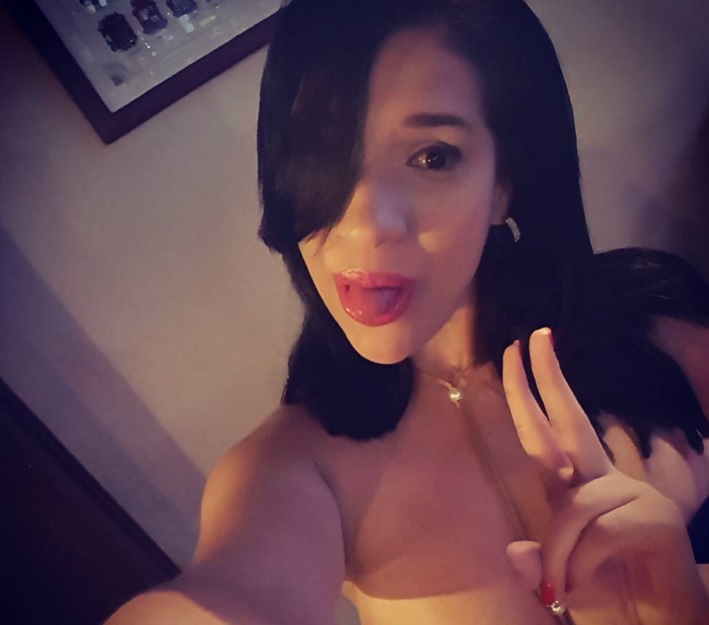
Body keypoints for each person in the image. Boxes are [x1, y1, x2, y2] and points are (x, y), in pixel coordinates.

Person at [106, 0, 709, 623]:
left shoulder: (659, 328)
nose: (367, 224)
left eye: (432, 157)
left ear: (504, 182)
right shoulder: (292, 472)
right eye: (321, 155)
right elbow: (230, 595)